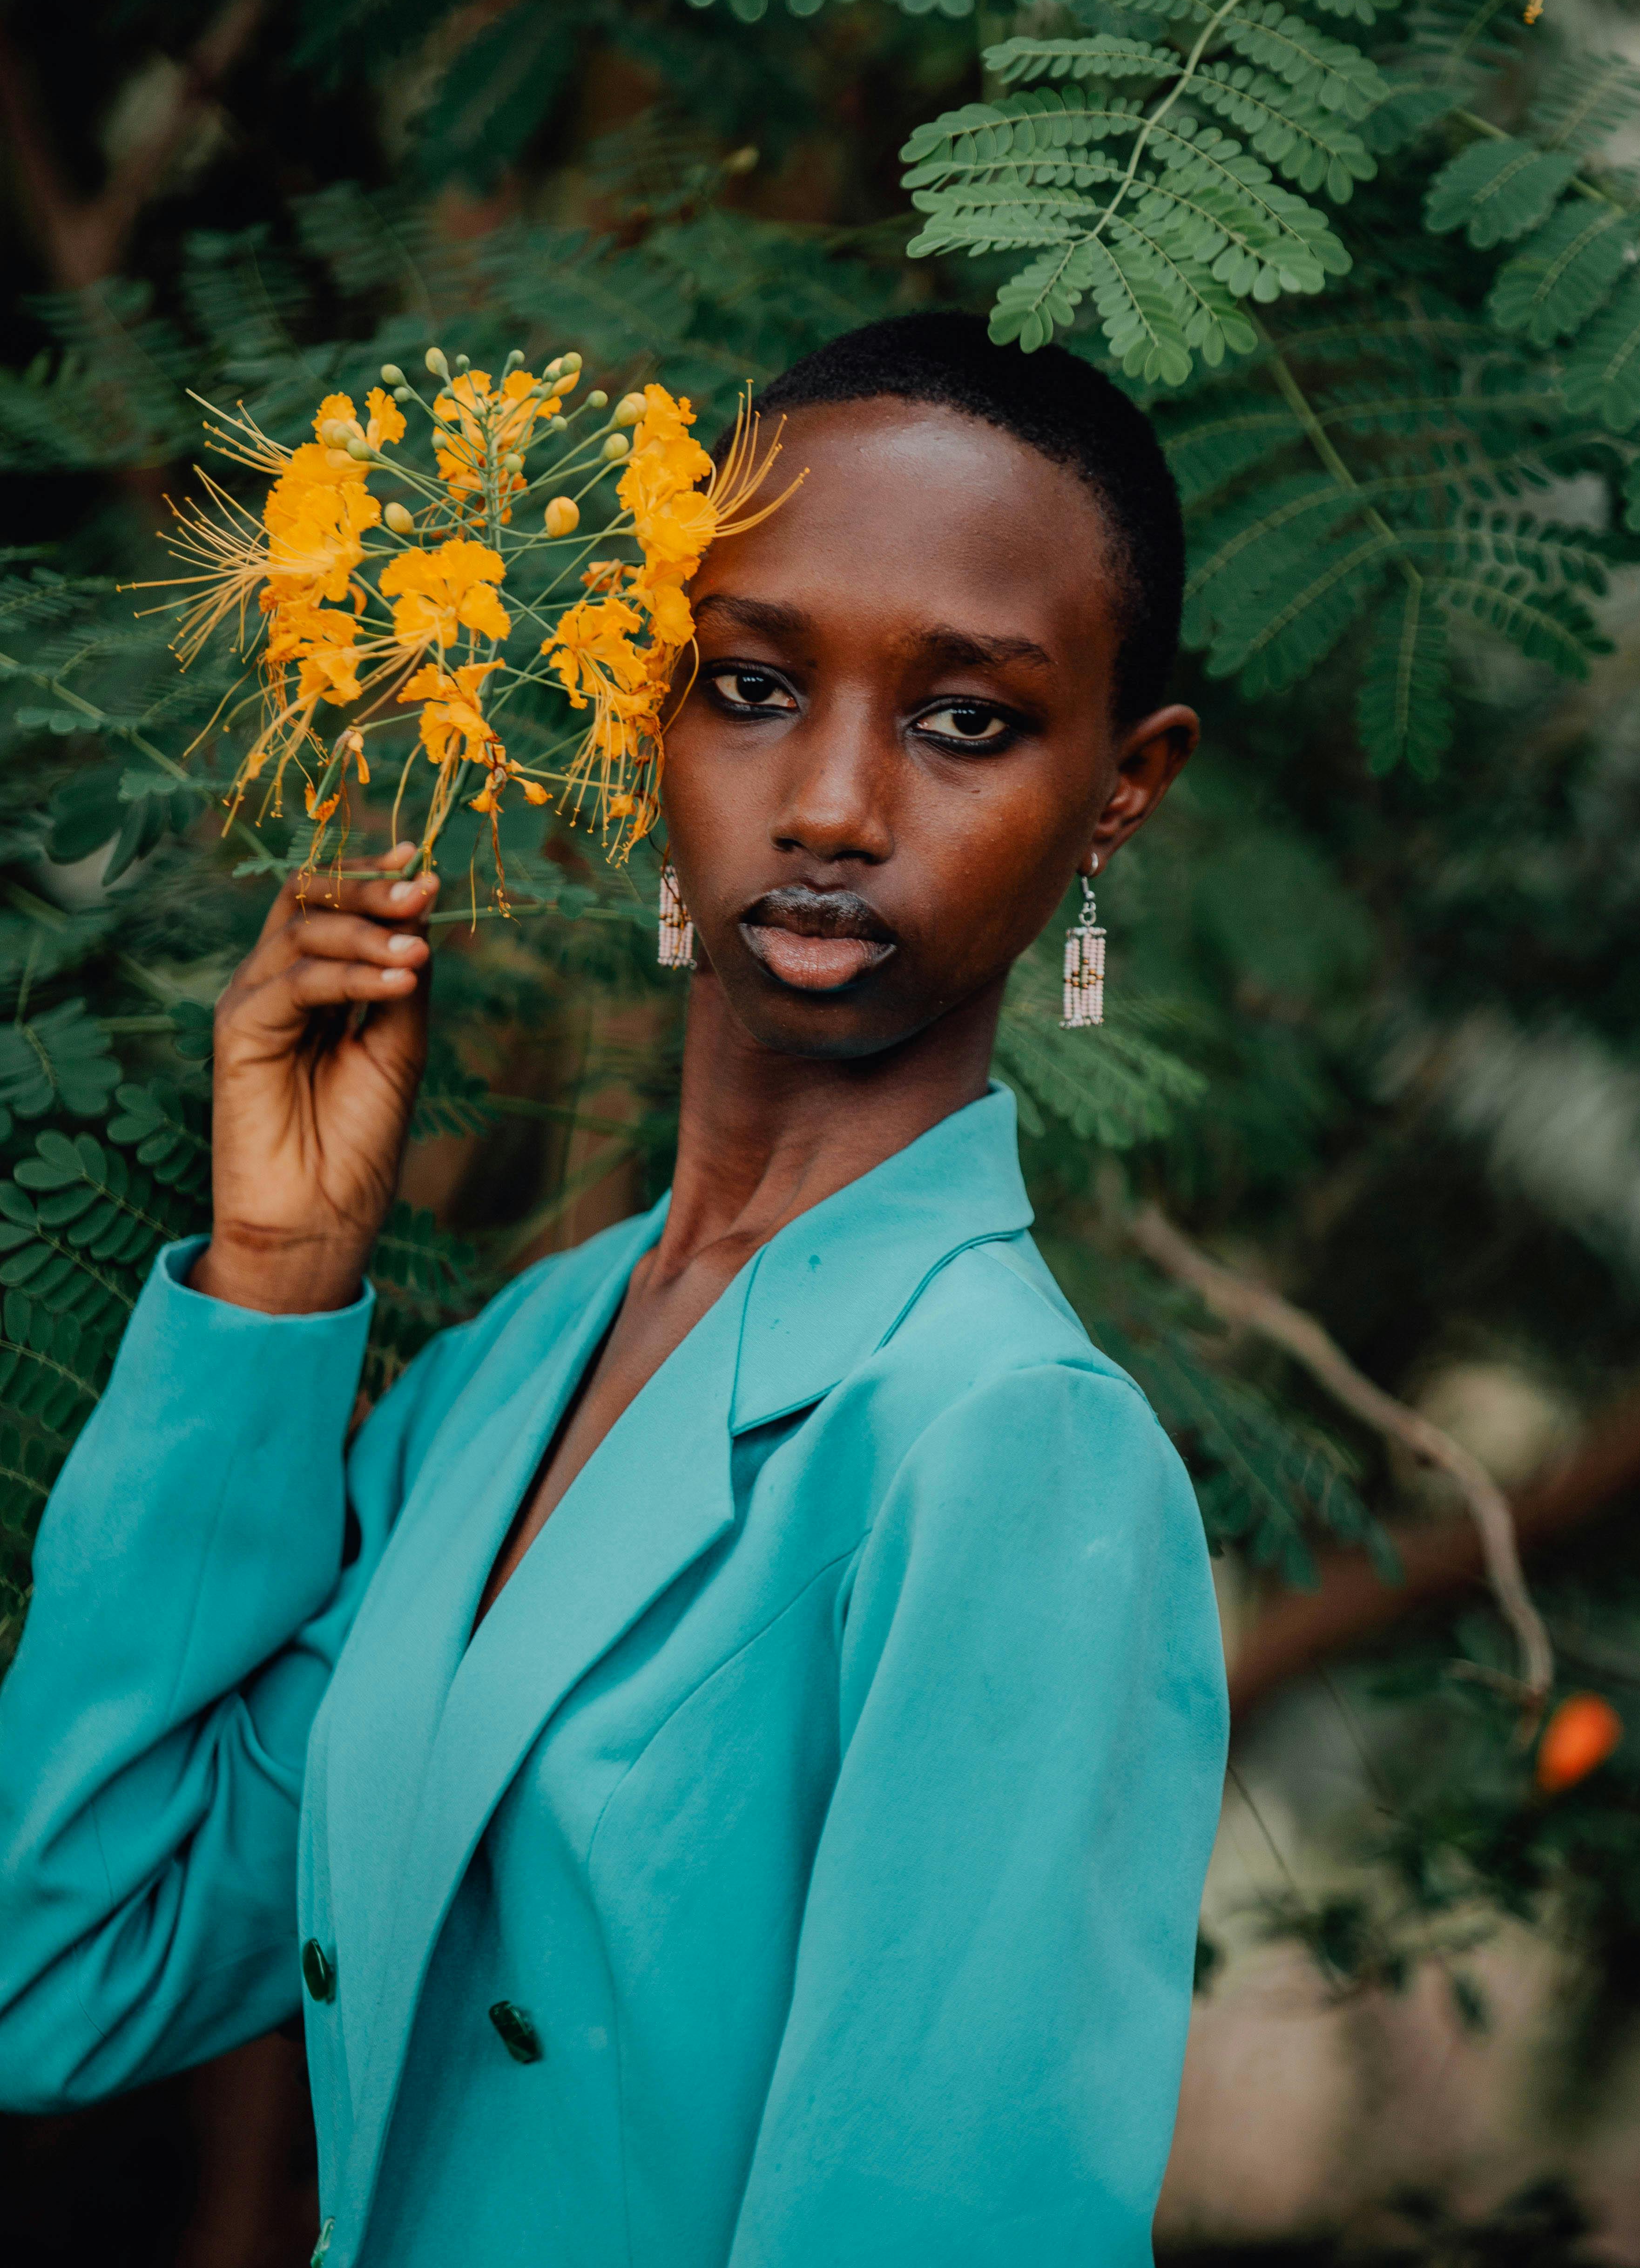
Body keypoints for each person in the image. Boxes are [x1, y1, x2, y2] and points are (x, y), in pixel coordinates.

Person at [0, 313, 1228, 2267]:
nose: (830, 804)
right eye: (750, 686)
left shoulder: (1014, 1451)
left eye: (965, 720)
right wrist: (271, 1293)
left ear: (1121, 786)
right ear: (646, 711)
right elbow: (64, 1967)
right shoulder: (518, 1368)